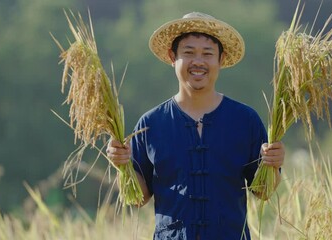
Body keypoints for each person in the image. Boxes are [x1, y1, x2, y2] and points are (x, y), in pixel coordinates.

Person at [106, 12, 285, 240]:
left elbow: (263, 191)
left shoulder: (246, 120)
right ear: (173, 57)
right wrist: (122, 166)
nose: (198, 61)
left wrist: (274, 164)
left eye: (207, 53)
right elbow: (139, 198)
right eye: (188, 53)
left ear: (221, 59)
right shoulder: (150, 124)